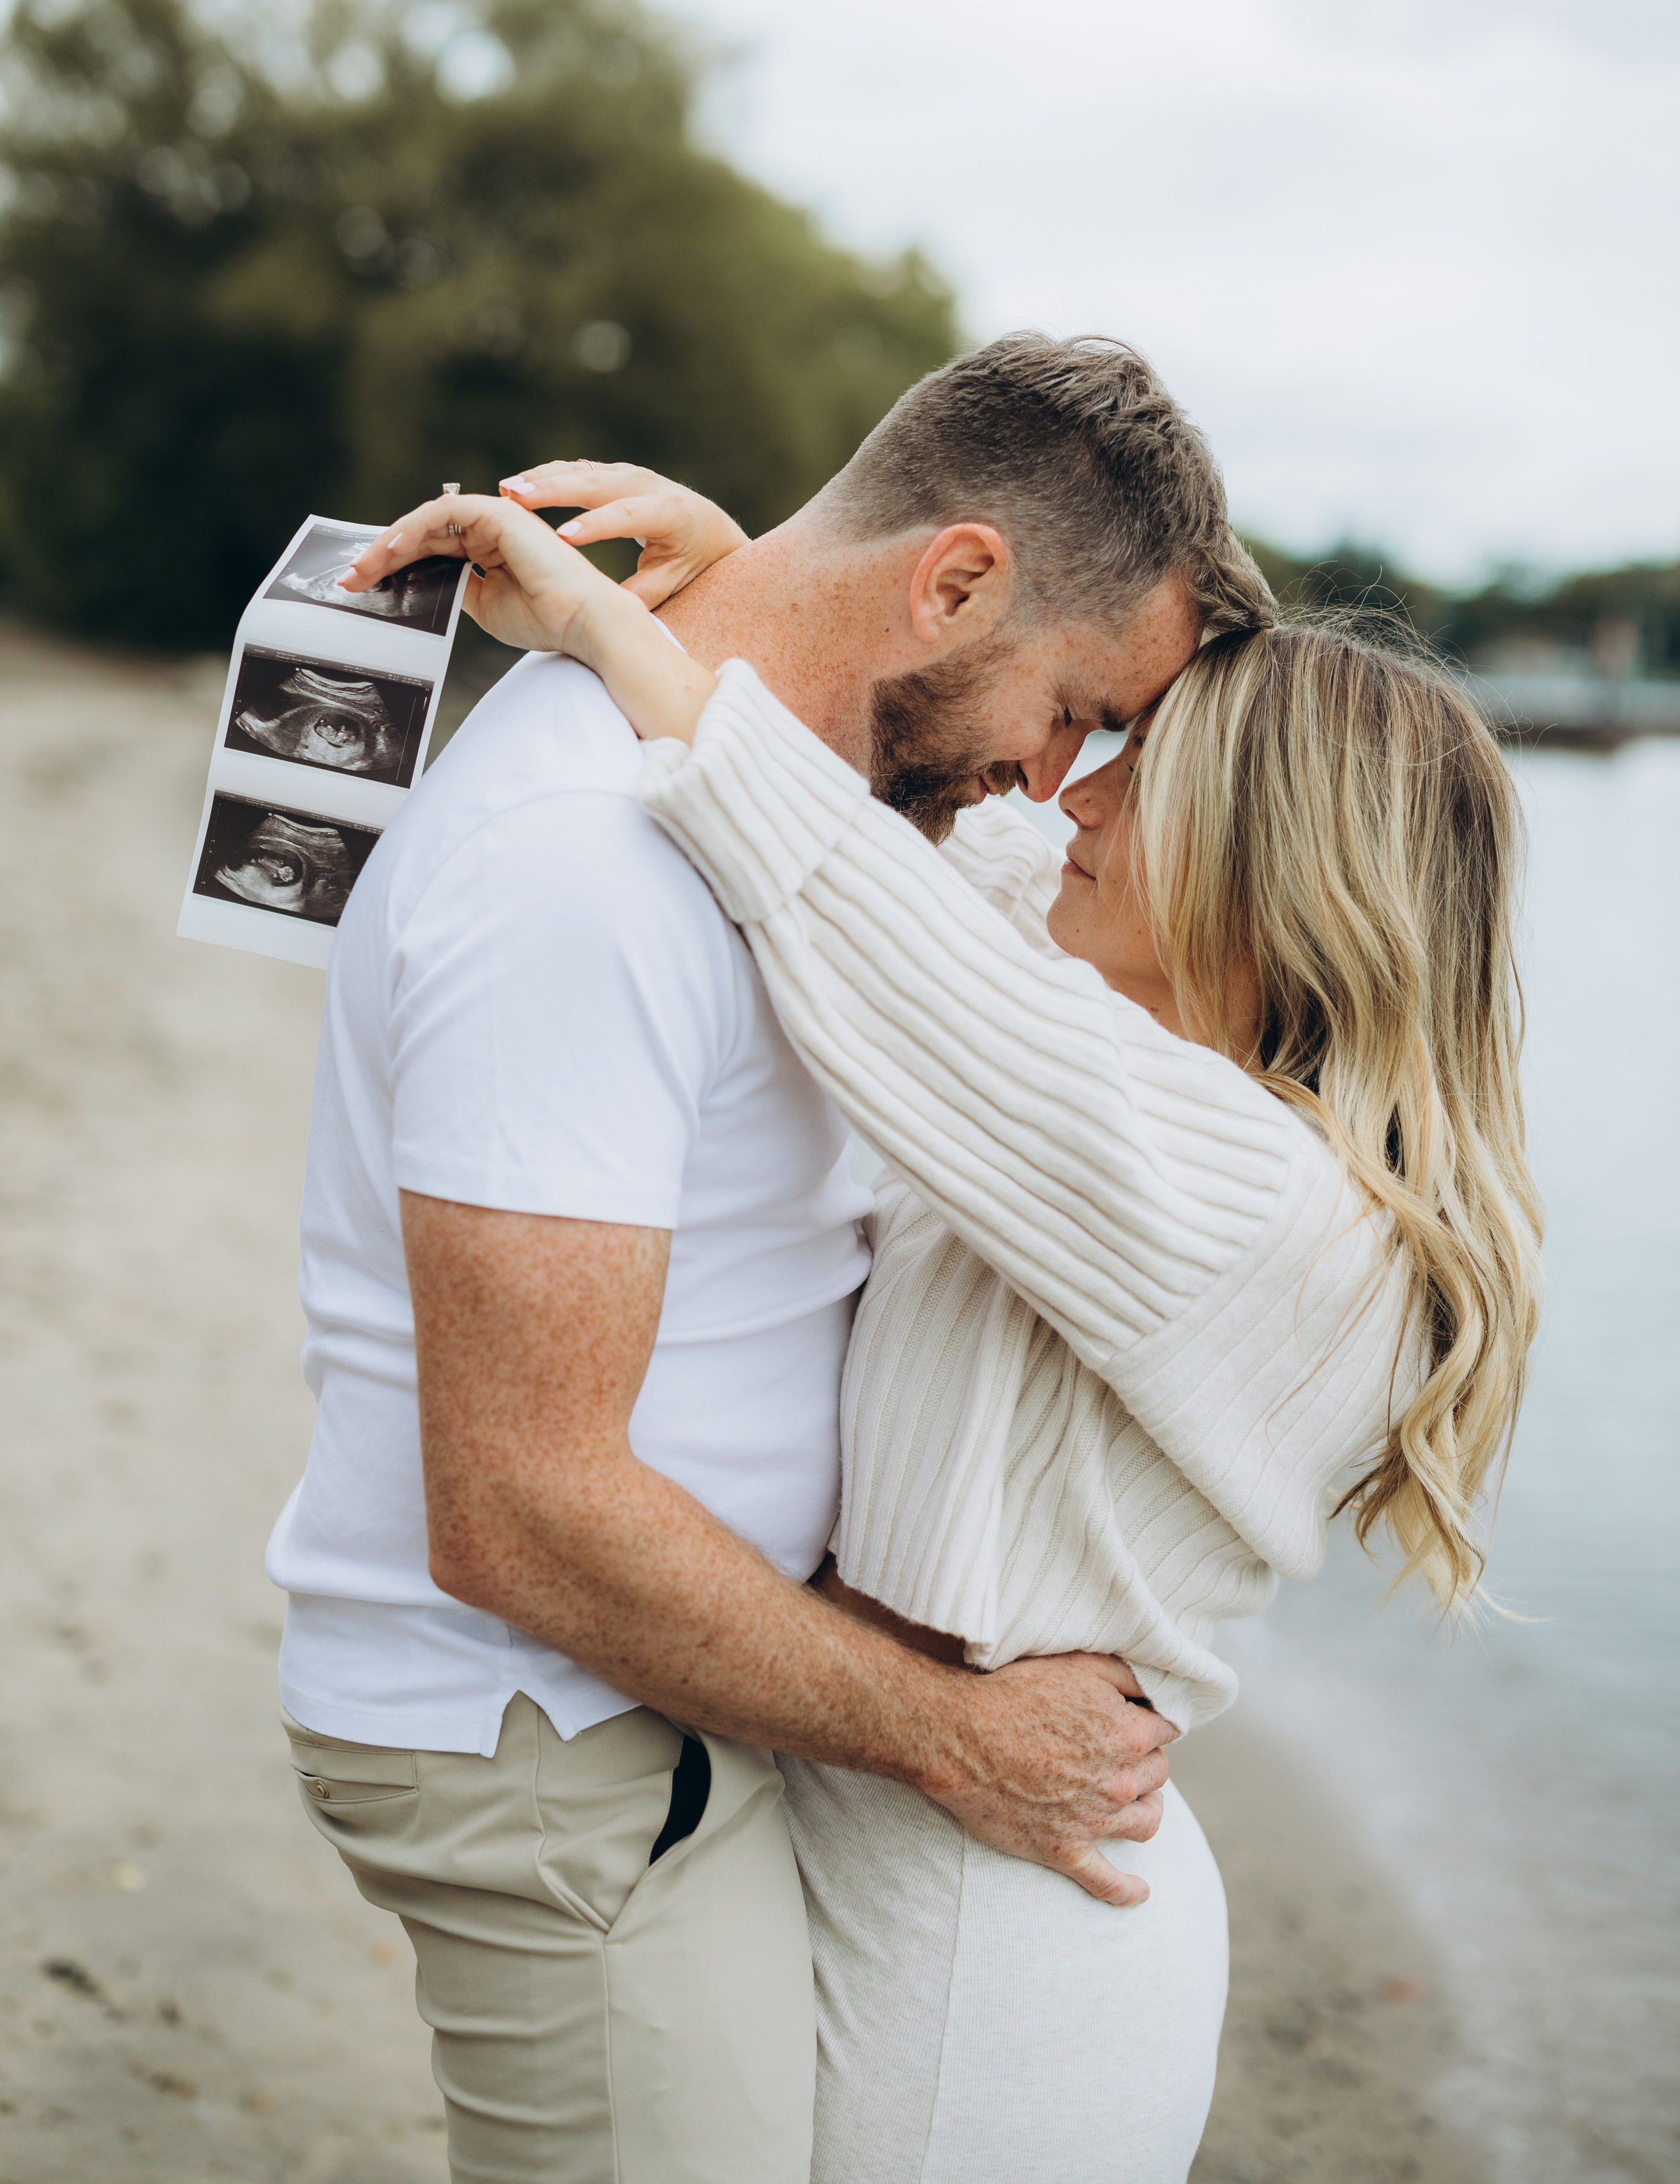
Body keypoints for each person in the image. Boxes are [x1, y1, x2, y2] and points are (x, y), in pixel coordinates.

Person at [356, 469, 1544, 2184]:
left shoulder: (1258, 1199)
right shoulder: (1113, 1049)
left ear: (1270, 879)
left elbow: (857, 914)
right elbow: (928, 847)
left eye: (1136, 768)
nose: (1072, 801)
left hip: (989, 1953)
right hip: (884, 1836)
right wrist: (780, 593)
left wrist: (611, 626)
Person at [269, 336, 1275, 2184]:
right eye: (1076, 707)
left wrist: (725, 593)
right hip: (547, 1729)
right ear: (957, 580)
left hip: (651, 1705)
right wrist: (958, 1740)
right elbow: (517, 1505)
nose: (1056, 784)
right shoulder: (587, 867)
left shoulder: (775, 820)